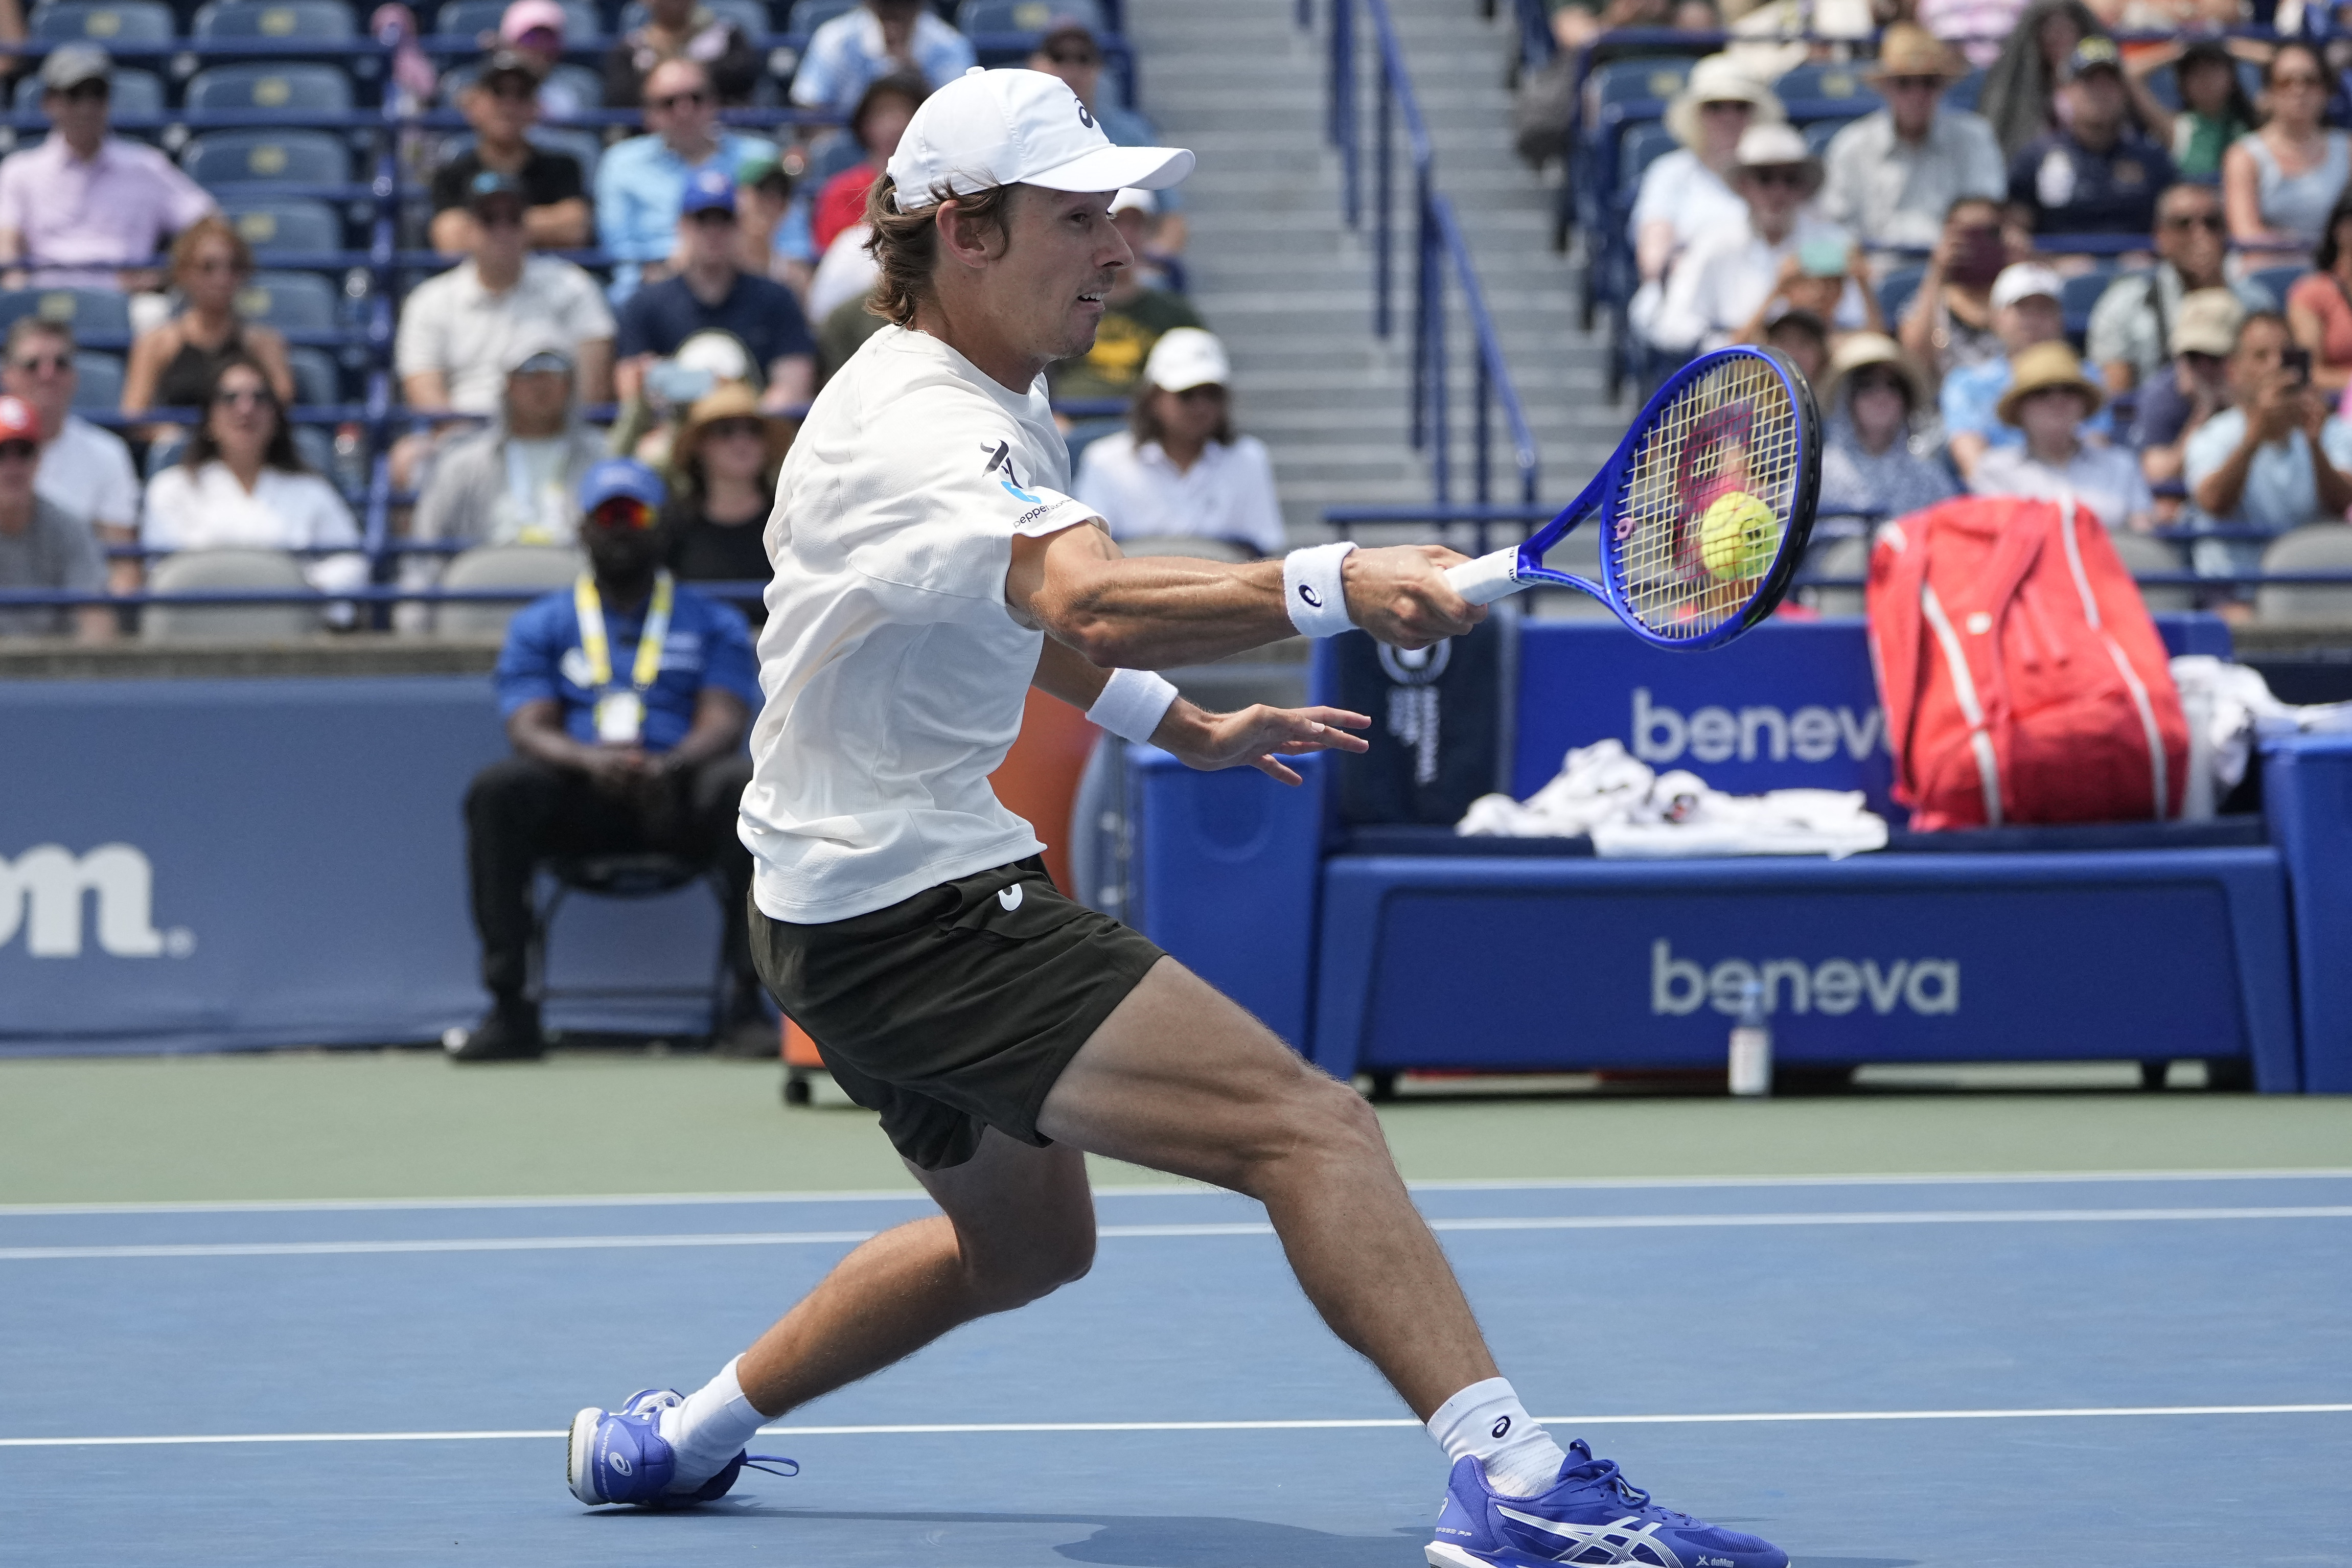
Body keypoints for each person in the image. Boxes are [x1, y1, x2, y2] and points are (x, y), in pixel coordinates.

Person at [561, 67, 1791, 1568]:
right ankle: (1510, 1477)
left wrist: (1182, 721)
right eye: (1079, 218)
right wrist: (1331, 580)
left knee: (1028, 1244)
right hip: (916, 906)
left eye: (1118, 215)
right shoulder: (928, 423)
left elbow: (1020, 615)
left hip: (823, 907)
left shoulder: (965, 404)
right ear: (966, 233)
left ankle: (673, 1440)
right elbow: (1081, 591)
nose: (1118, 251)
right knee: (1310, 1123)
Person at [450, 457, 767, 1063]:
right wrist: (589, 761)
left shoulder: (713, 622)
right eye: (606, 515)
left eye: (635, 513)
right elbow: (528, 725)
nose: (621, 528)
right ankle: (510, 1005)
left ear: (661, 527)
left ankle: (744, 1002)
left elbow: (725, 718)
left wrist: (671, 765)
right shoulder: (541, 623)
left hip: (677, 795)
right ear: (583, 530)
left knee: (742, 786)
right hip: (580, 795)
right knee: (498, 790)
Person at [141, 354, 367, 597]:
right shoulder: (171, 489)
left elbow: (350, 562)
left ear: (276, 417)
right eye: (230, 398)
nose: (246, 409)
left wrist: (306, 592)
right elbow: (160, 572)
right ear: (209, 418)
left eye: (260, 398)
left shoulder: (312, 490)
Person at [398, 172, 616, 415]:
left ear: (527, 227)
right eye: (489, 219)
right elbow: (426, 395)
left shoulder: (574, 286)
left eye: (513, 218)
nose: (502, 230)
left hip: (559, 434)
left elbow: (593, 391)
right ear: (469, 229)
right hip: (463, 437)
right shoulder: (429, 300)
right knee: (409, 454)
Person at [0, 45, 214, 291]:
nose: (87, 107)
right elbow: (7, 245)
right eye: (75, 95)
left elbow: (208, 226)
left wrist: (163, 276)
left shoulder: (147, 167)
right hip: (47, 303)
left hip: (130, 303)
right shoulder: (19, 171)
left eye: (97, 94)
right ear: (49, 103)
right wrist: (17, 294)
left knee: (152, 315)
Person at [1649, 123, 1864, 357]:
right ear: (1744, 185)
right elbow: (1672, 325)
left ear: (1803, 188)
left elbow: (1857, 322)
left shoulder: (1834, 244)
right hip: (1729, 382)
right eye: (1765, 178)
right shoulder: (1712, 243)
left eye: (1790, 179)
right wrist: (1722, 344)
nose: (1777, 192)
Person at [613, 169, 817, 414]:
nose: (713, 232)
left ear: (739, 227)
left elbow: (792, 386)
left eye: (724, 221)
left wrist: (743, 425)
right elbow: (632, 390)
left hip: (756, 435)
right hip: (673, 437)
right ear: (683, 226)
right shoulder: (647, 303)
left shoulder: (775, 299)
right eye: (702, 221)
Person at [1073, 328, 1285, 558]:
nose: (1201, 406)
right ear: (1153, 398)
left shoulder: (1250, 458)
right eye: (1187, 394)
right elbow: (1093, 552)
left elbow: (1264, 547)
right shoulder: (1105, 460)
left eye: (1212, 394)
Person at [409, 336, 608, 577]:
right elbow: (425, 553)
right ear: (508, 384)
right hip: (487, 590)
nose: (542, 384)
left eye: (555, 371)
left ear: (570, 384)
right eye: (528, 371)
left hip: (578, 587)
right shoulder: (463, 464)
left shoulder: (603, 458)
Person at [2185, 310, 2352, 592]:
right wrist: (2255, 437)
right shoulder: (2212, 436)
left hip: (2314, 593)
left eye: (2285, 354)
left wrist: (2315, 445)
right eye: (2261, 356)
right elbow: (2214, 502)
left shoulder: (2330, 431)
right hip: (2235, 592)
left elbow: (2343, 503)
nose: (2276, 365)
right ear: (2234, 372)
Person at [1626, 56, 1784, 340]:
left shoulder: (1781, 174)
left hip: (1775, 312)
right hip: (1696, 313)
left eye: (1741, 107)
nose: (1729, 117)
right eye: (1715, 107)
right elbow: (1654, 260)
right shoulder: (1669, 173)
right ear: (1697, 114)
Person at [1818, 25, 2005, 256]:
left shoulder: (1974, 137)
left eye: (1928, 83)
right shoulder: (1851, 147)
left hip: (1956, 272)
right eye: (1904, 83)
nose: (1917, 96)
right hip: (1873, 273)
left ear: (1942, 88)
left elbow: (1986, 210)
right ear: (1885, 87)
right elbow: (1833, 227)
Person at [596, 59, 774, 301]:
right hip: (655, 294)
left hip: (752, 288)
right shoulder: (620, 164)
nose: (684, 110)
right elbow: (623, 260)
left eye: (696, 98)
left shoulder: (761, 158)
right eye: (669, 103)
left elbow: (791, 246)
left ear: (714, 103)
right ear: (649, 115)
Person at [2086, 181, 2272, 396]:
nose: (2200, 233)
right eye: (2183, 224)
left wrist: (2214, 285)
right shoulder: (2125, 302)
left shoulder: (2256, 301)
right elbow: (2118, 400)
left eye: (2212, 223)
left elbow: (2267, 382)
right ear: (2160, 236)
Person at [120, 217, 297, 432]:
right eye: (208, 267)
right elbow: (134, 413)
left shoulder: (264, 344)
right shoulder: (157, 343)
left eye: (233, 267)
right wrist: (171, 438)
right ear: (183, 273)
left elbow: (282, 410)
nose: (222, 278)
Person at [7, 318, 142, 592]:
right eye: (32, 365)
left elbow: (122, 563)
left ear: (75, 376)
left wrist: (102, 621)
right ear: (8, 375)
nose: (48, 374)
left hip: (79, 608)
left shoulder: (108, 453)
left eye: (61, 364)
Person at [1026, 21, 1184, 253]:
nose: (1072, 68)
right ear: (1035, 64)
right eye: (1058, 57)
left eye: (1084, 58)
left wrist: (1142, 268)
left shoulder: (1132, 132)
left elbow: (1174, 220)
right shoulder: (1019, 134)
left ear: (1098, 69)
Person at [1969, 340, 2152, 531]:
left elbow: (2144, 545)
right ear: (2019, 408)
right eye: (2041, 392)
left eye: (2069, 390)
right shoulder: (1994, 470)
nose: (2057, 400)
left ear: (2083, 403)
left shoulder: (2121, 466)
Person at [2006, 37, 2175, 240]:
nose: (2101, 93)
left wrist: (2148, 256)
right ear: (2066, 92)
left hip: (2140, 268)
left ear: (2125, 91)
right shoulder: (2035, 158)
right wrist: (2052, 262)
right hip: (2058, 268)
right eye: (2090, 83)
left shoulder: (2152, 158)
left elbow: (2175, 225)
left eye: (2110, 83)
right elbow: (2015, 233)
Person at [1044, 198, 1206, 407]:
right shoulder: (1057, 305)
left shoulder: (1176, 313)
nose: (1127, 235)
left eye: (1137, 225)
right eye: (1116, 221)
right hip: (1068, 423)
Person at [429, 50, 591, 255]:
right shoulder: (450, 175)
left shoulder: (563, 167)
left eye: (521, 94)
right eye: (498, 91)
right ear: (474, 105)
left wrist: (483, 227)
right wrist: (545, 225)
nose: (509, 105)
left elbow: (574, 230)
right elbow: (450, 242)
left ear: (535, 107)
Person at [1940, 260, 2085, 481]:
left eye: (2044, 309)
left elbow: (2095, 456)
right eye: (2022, 308)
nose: (2034, 320)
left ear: (2060, 319)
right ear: (1997, 318)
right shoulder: (1965, 383)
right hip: (2003, 504)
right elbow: (1975, 470)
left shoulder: (2086, 377)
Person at [661, 382, 789, 625]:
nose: (742, 441)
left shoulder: (790, 519)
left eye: (754, 430)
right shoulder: (674, 527)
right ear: (699, 446)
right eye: (725, 430)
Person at [1814, 333, 1957, 537]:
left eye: (1893, 386)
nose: (1881, 396)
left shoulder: (1929, 478)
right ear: (1847, 400)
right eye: (1866, 385)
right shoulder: (1817, 473)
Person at [0, 394, 111, 643]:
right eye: (1, 453)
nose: (13, 465)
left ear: (39, 458)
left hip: (52, 673)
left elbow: (96, 624)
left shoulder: (69, 528)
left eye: (24, 451)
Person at [2222, 42, 2349, 257]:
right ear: (2268, 93)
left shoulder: (2347, 150)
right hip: (2269, 270)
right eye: (2285, 82)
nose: (2298, 90)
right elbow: (2245, 234)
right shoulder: (2244, 155)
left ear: (2326, 91)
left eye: (2310, 81)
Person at [1897, 194, 2029, 387]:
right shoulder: (1931, 302)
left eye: (1989, 233)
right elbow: (1914, 360)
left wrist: (2022, 270)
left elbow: (2042, 353)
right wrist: (1937, 272)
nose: (1978, 245)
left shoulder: (2025, 298)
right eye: (1966, 234)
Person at [2133, 287, 2242, 496]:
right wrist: (2203, 413)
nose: (2203, 367)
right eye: (2193, 356)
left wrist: (2240, 408)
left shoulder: (2261, 393)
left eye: (2214, 356)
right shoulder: (2161, 394)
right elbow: (2157, 476)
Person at [788, 0, 975, 120]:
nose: (894, 12)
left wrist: (913, 73)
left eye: (903, 5)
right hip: (851, 147)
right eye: (884, 5)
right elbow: (810, 106)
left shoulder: (949, 45)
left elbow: (957, 116)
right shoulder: (834, 39)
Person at [810, 72, 926, 259]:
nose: (895, 124)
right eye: (882, 113)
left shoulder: (938, 186)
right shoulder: (842, 191)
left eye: (904, 112)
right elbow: (832, 257)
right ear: (864, 125)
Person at [1975, 0, 2101, 159]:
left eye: (2067, 29)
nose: (2059, 37)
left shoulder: (2102, 82)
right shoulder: (2014, 89)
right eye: (2051, 30)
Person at [603, 0, 763, 110]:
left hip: (727, 130)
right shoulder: (630, 48)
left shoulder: (728, 36)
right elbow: (622, 97)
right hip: (650, 136)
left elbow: (744, 78)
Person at [2148, 38, 2256, 181]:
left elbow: (2280, 62)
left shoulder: (2257, 121)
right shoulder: (2177, 127)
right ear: (2182, 84)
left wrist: (2230, 48)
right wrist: (2177, 51)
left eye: (2213, 69)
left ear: (2232, 78)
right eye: (2194, 72)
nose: (2204, 79)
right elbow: (2128, 74)